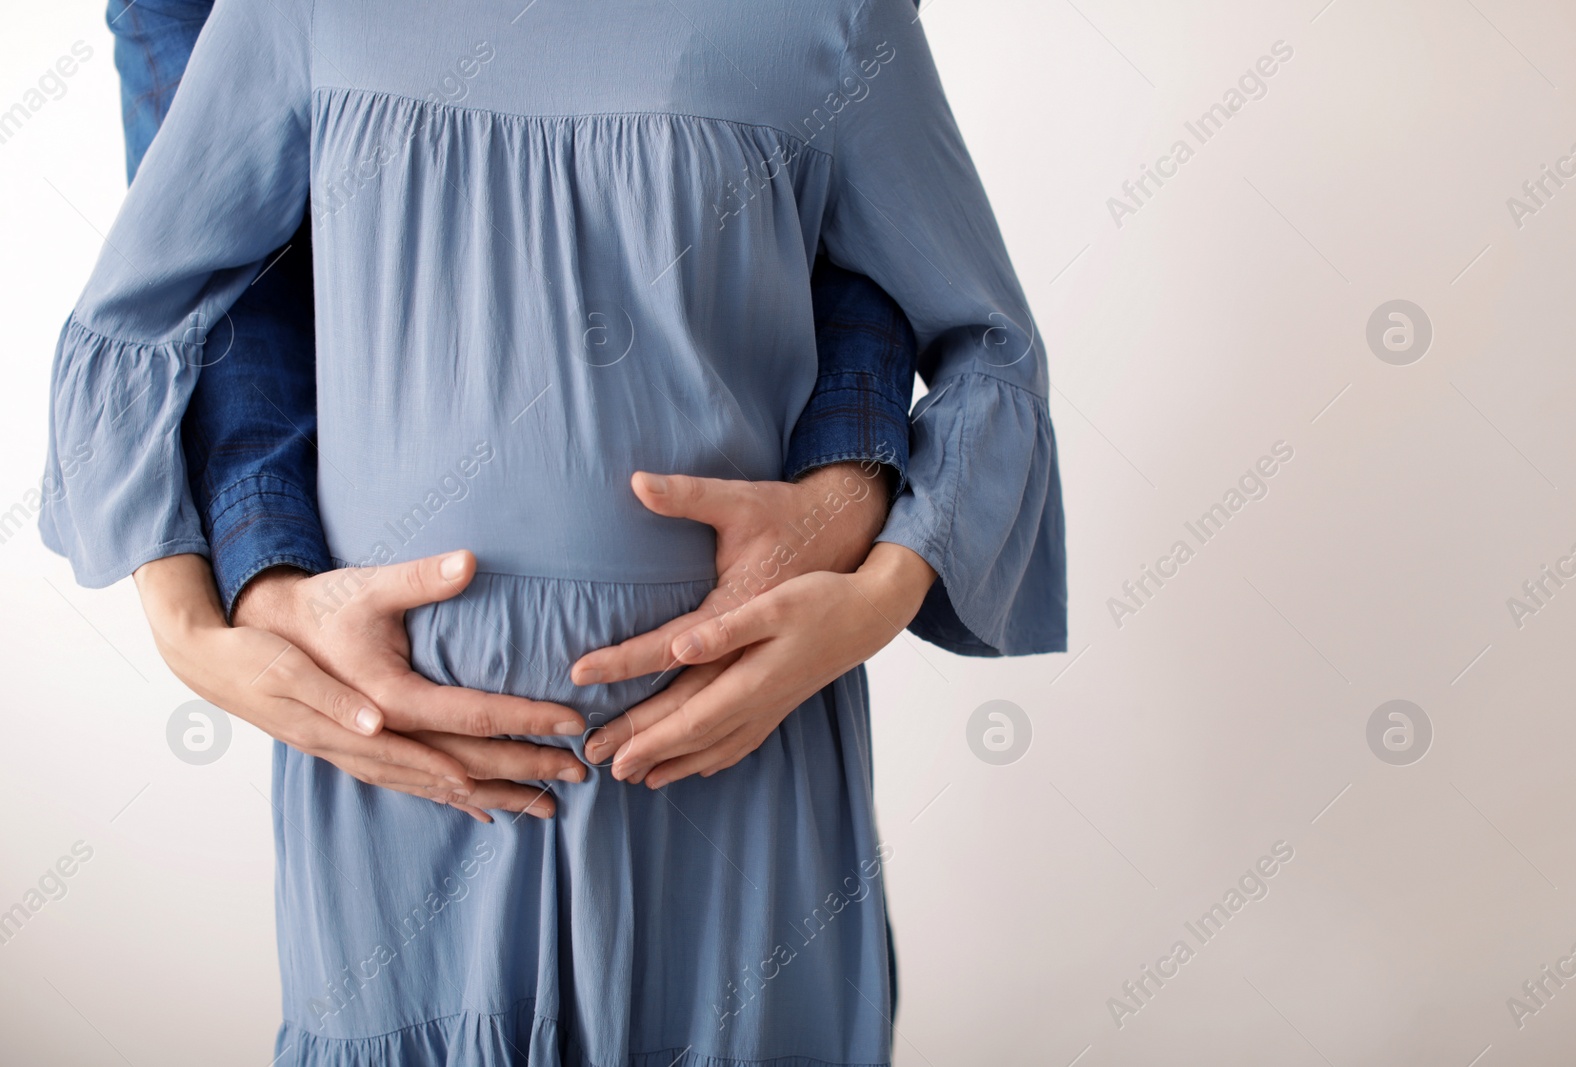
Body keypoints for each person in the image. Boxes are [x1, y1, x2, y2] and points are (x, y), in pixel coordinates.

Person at [43, 1, 1066, 1063]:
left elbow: (986, 344)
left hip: (734, 731)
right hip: (402, 755)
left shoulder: (832, 17)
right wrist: (190, 628)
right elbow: (135, 318)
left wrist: (877, 594)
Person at [106, 0, 922, 822]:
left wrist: (853, 522)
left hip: (747, 707)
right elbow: (187, 296)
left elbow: (870, 236)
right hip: (383, 733)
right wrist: (222, 609)